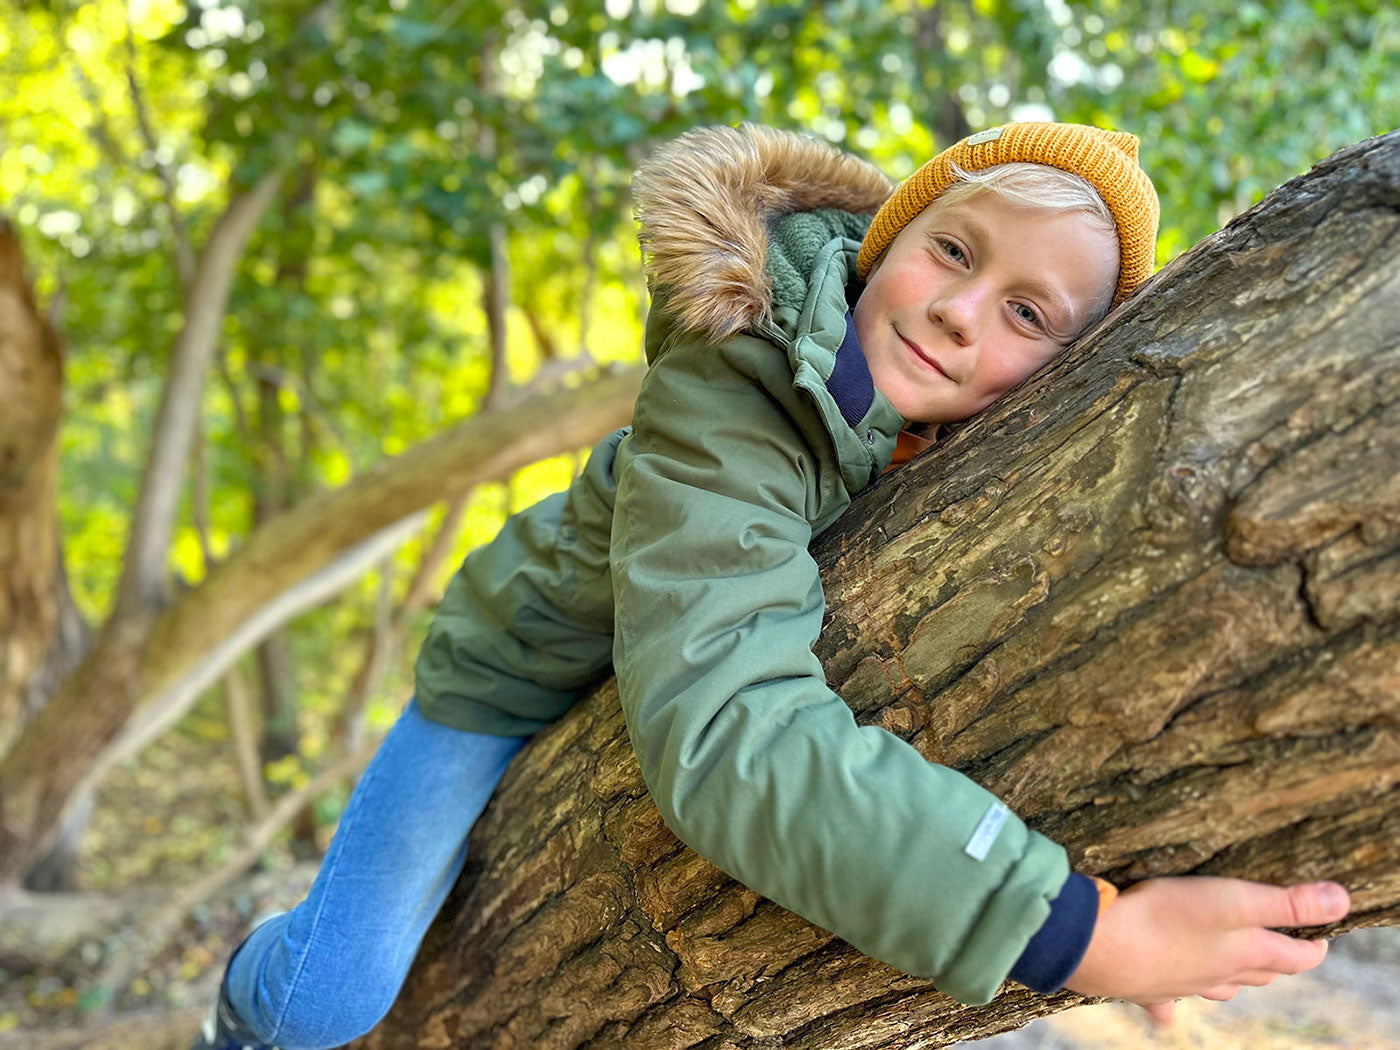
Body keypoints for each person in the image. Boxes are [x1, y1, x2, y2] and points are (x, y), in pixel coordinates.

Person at [193, 121, 1350, 1050]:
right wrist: (1081, 936)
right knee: (319, 1010)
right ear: (886, 239)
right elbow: (727, 727)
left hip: (651, 659)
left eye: (1027, 315)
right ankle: (235, 1005)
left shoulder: (943, 446)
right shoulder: (736, 389)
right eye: (953, 250)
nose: (957, 310)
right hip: (502, 688)